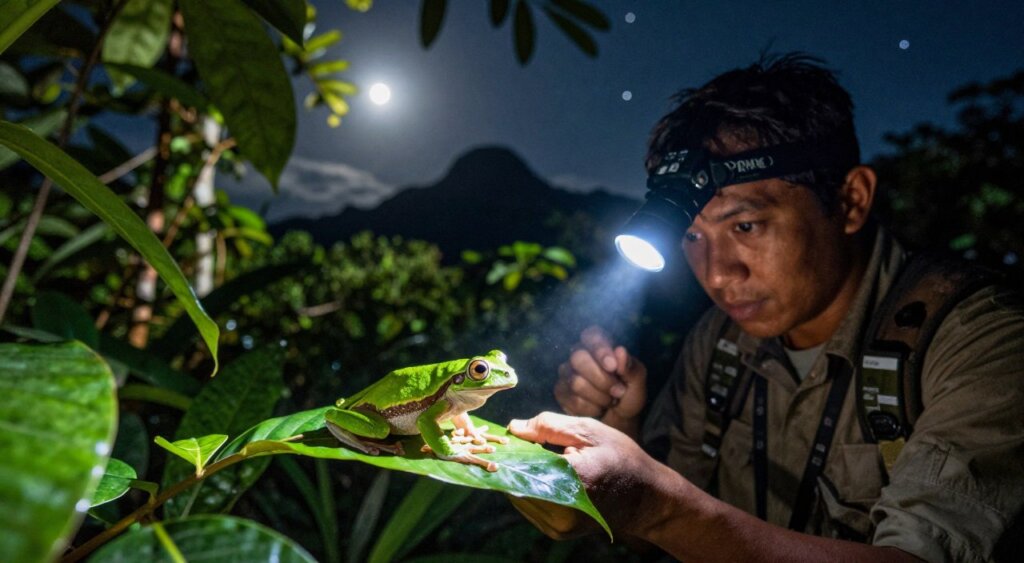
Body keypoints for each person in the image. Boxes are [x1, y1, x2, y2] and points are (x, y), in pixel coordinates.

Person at [507, 53, 1024, 562]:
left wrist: (655, 506)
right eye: (691, 235)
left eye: (745, 226)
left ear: (850, 201)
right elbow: (656, 538)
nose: (716, 274)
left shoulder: (982, 338)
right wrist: (624, 436)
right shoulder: (719, 343)